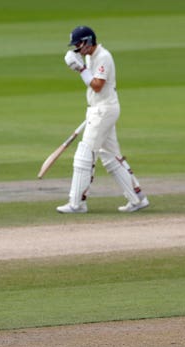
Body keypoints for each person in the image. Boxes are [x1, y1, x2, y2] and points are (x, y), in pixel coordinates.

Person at [58, 25, 149, 214]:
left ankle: (77, 203)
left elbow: (97, 85)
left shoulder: (104, 57)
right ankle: (137, 198)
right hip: (98, 110)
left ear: (88, 41)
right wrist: (82, 68)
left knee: (84, 154)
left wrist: (81, 69)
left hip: (104, 110)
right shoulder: (91, 56)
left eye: (78, 45)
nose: (76, 50)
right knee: (110, 156)